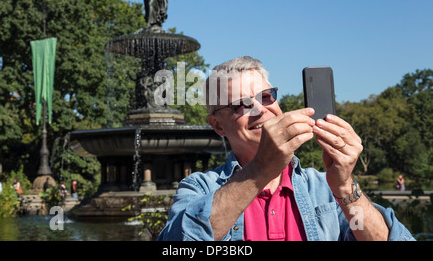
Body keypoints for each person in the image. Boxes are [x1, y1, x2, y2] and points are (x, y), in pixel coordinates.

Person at [158, 56, 414, 241]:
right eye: (242, 105)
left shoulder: (323, 187)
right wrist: (260, 169)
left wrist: (345, 187)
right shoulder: (200, 188)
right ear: (218, 126)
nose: (260, 110)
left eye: (266, 96)